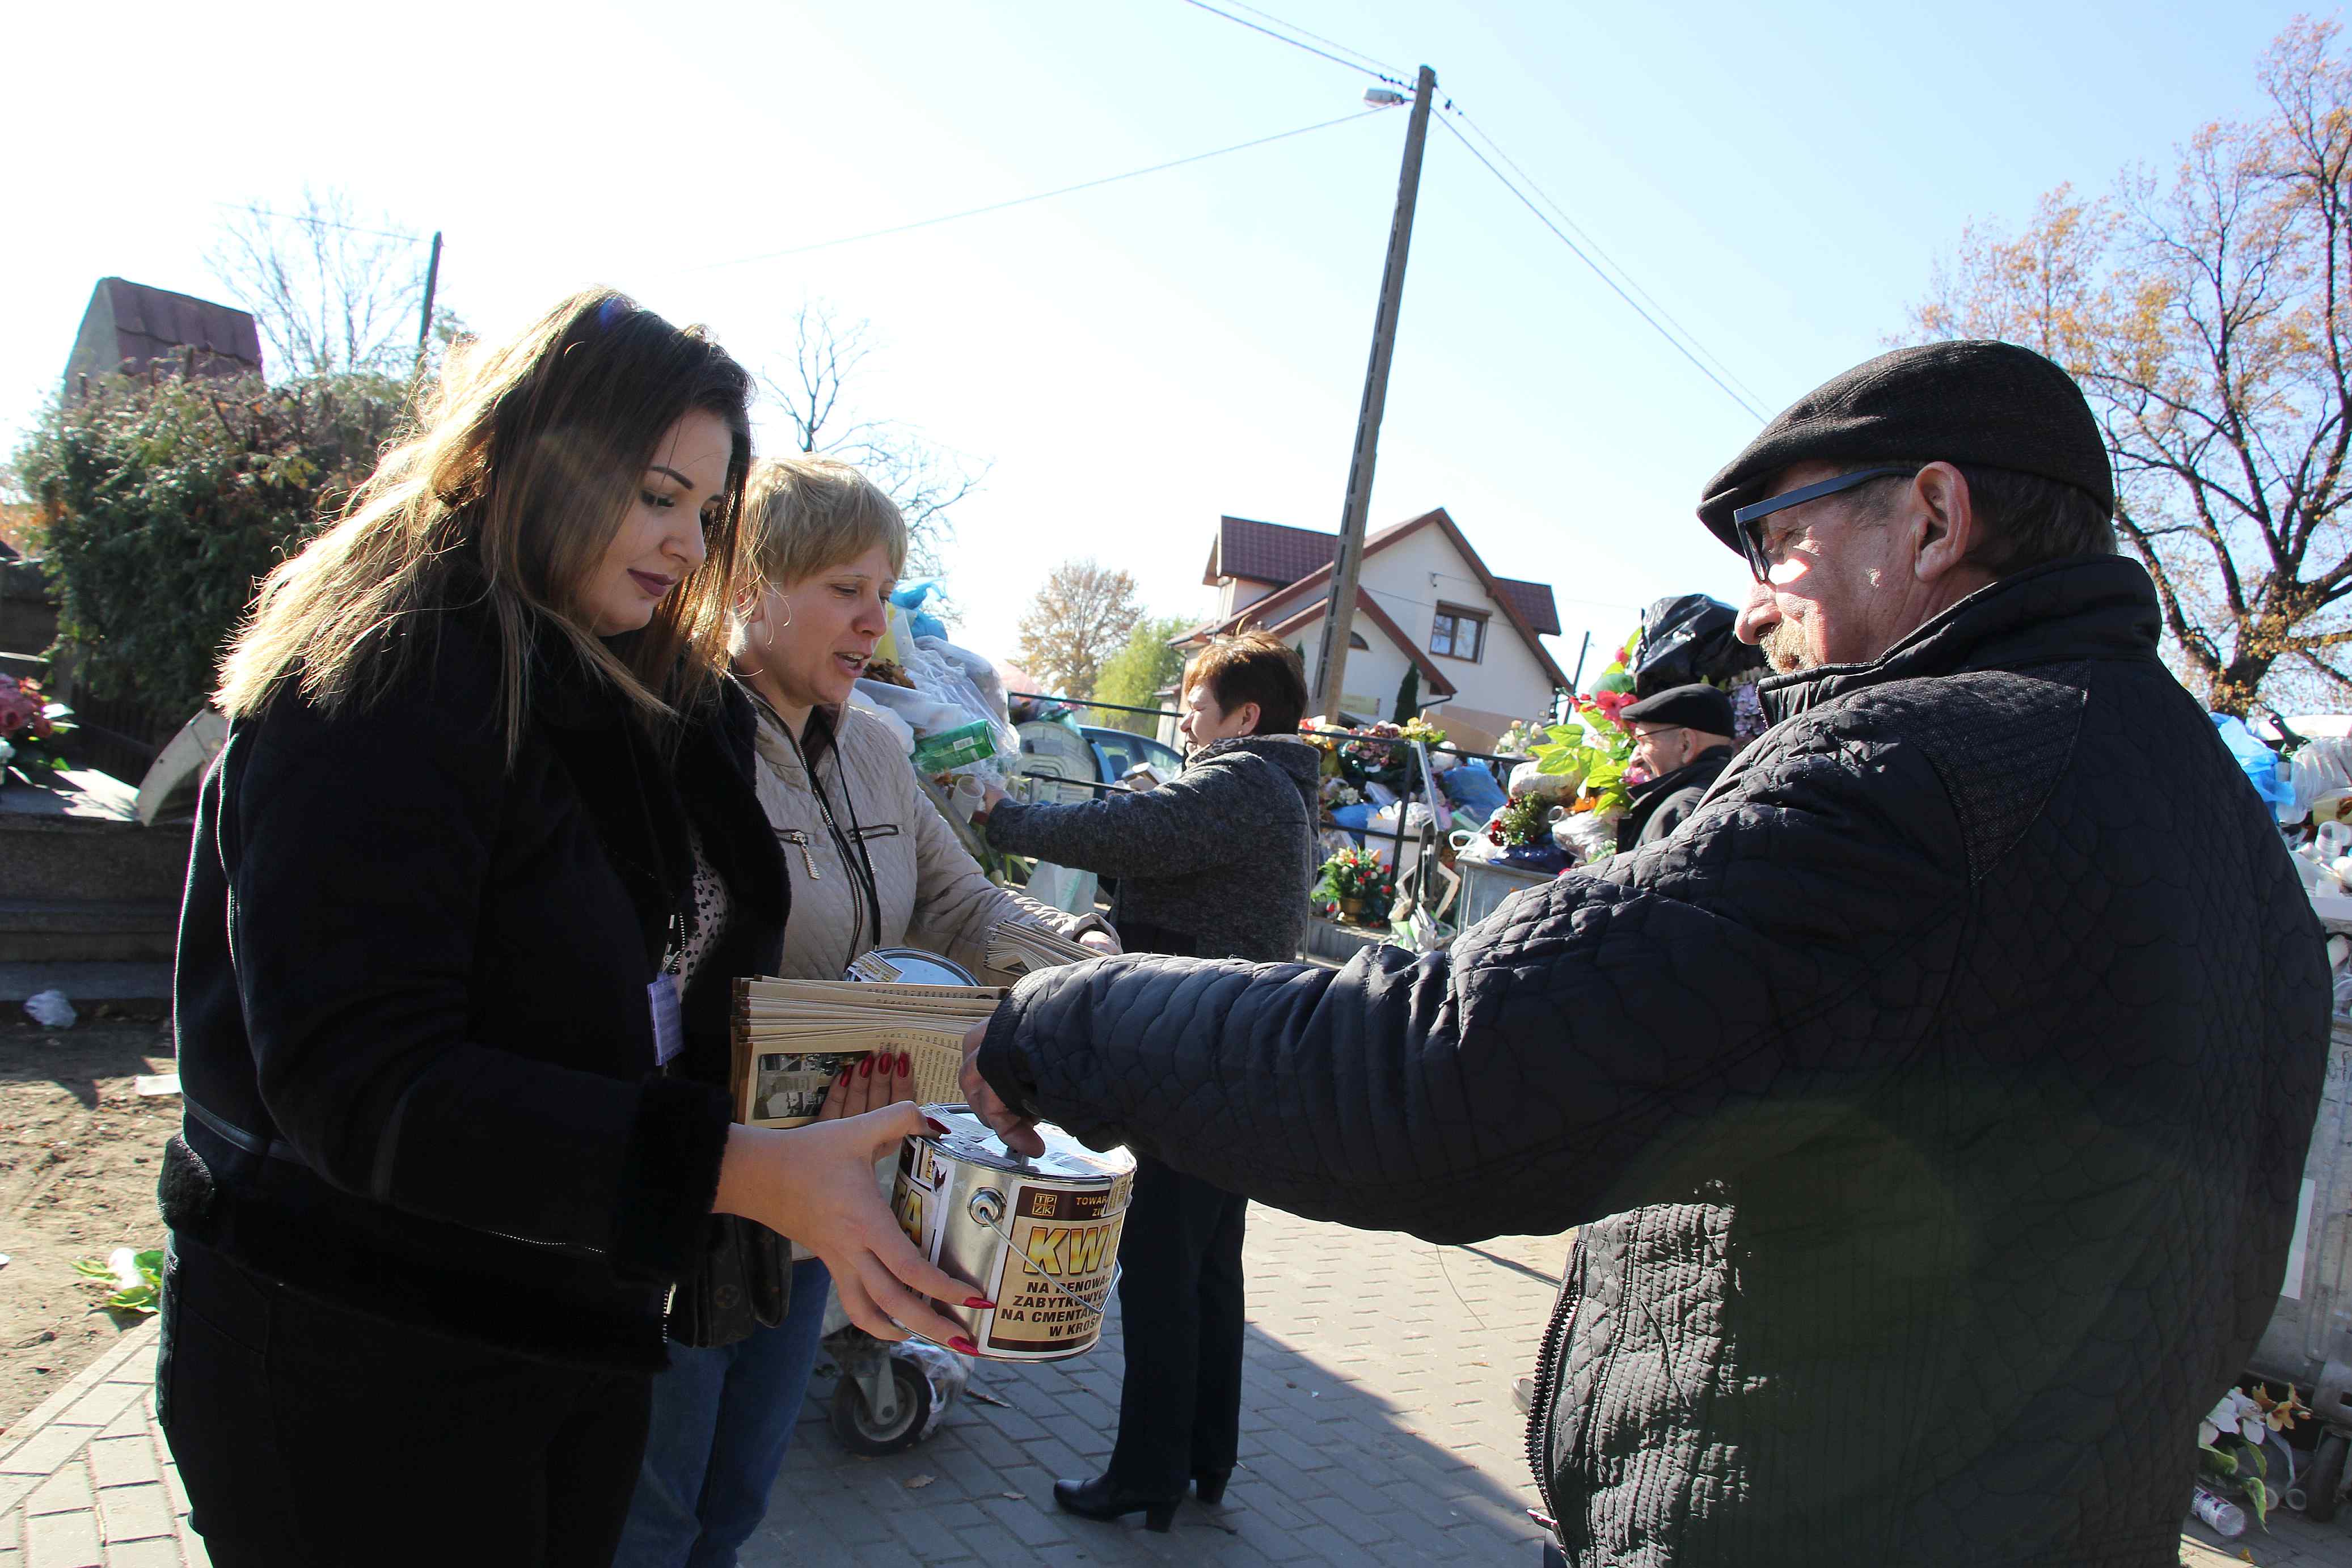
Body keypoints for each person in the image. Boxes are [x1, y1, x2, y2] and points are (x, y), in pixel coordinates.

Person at [961, 340, 2332, 1566]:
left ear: (1929, 518)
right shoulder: (2225, 840)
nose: (1745, 607)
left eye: (1773, 540)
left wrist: (1069, 1021)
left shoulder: (1917, 778)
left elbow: (1444, 1079)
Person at [162, 290, 971, 1568]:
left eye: (706, 512)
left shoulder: (638, 695)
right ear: (521, 454)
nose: (685, 542)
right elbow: (362, 1079)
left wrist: (905, 1074)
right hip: (357, 1353)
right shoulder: (383, 679)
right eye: (657, 493)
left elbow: (665, 997)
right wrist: (741, 1169)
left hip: (566, 1327)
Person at [616, 454, 1118, 1568]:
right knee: (648, 1508)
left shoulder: (877, 748)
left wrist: (1097, 974)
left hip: (821, 1198)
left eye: (884, 591)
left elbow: (960, 903)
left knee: (734, 1499)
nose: (873, 620)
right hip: (692, 1188)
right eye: (846, 587)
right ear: (751, 582)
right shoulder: (677, 741)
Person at [968, 629, 1320, 1531]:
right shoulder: (1272, 790)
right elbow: (1168, 867)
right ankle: (1204, 1454)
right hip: (1238, 1056)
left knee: (1160, 1270)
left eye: (1196, 707)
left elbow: (1125, 834)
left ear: (1243, 715)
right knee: (1206, 1269)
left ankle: (1146, 1474)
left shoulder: (1239, 781)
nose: (1185, 724)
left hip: (1191, 1063)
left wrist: (998, 815)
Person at [1614, 683, 1736, 852]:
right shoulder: (1742, 792)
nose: (1635, 760)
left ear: (1685, 744)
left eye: (1643, 741)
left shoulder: (1678, 812)